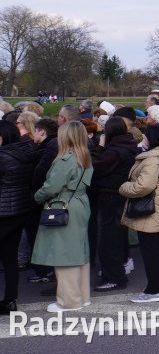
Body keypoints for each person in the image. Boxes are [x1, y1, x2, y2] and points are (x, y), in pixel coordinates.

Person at [33, 121, 94, 312]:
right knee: (79, 252)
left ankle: (69, 301)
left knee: (64, 253)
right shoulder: (84, 156)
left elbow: (52, 187)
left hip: (64, 205)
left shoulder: (66, 159)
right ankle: (81, 297)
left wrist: (37, 196)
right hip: (79, 204)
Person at [118, 123, 159, 303]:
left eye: (146, 136)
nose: (143, 138)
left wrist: (124, 187)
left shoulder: (153, 158)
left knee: (151, 250)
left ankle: (154, 289)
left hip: (150, 208)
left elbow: (144, 186)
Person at [88, 117, 137, 292]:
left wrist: (98, 147)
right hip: (118, 194)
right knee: (116, 237)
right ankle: (116, 272)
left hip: (111, 195)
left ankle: (115, 277)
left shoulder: (115, 151)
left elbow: (95, 167)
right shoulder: (127, 145)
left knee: (109, 240)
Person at [0, 120, 36, 314]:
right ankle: (10, 299)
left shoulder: (3, 156)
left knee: (8, 257)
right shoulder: (25, 151)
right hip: (20, 210)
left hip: (3, 210)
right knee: (9, 257)